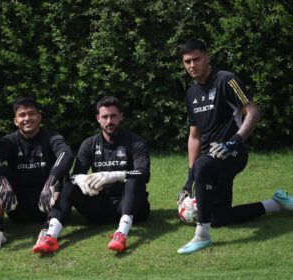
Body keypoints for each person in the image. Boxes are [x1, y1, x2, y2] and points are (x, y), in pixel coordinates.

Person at [177, 38, 293, 254]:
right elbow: (194, 137)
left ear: (207, 57)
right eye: (187, 62)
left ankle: (202, 236)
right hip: (208, 162)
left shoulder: (226, 80)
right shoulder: (191, 94)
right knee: (218, 218)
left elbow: (253, 112)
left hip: (233, 153)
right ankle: (276, 203)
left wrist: (234, 141)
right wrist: (189, 177)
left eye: (196, 59)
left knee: (203, 166)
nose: (192, 65)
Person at [32, 96, 151, 254]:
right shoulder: (89, 144)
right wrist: (80, 179)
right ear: (98, 119)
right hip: (100, 208)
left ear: (121, 116)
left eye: (113, 116)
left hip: (132, 206)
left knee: (133, 179)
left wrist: (116, 175)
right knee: (69, 184)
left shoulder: (136, 142)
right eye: (105, 117)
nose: (109, 121)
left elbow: (144, 174)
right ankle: (50, 237)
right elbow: (75, 176)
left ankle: (121, 234)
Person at [0, 97, 73, 251]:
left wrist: (50, 182)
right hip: (17, 207)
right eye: (22, 115)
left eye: (31, 114)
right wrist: (5, 184)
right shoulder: (9, 141)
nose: (27, 118)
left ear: (39, 117)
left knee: (64, 176)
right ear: (15, 120)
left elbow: (66, 154)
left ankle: (48, 229)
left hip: (47, 204)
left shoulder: (51, 137)